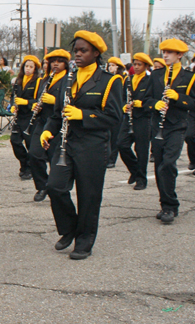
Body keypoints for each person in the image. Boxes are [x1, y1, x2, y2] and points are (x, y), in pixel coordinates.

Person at [40, 31, 123, 259]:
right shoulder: (68, 78)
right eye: (75, 50)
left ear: (96, 53)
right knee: (55, 187)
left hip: (93, 146)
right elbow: (58, 114)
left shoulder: (109, 81)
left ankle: (84, 240)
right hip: (66, 143)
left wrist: (83, 115)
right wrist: (48, 129)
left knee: (88, 195)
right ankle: (69, 229)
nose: (77, 54)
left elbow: (115, 118)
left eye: (83, 50)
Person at [149, 39, 195, 224]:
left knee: (168, 164)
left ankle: (171, 206)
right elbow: (146, 98)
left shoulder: (189, 77)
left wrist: (178, 97)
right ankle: (165, 205)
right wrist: (155, 103)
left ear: (179, 55)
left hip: (177, 126)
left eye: (170, 52)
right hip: (158, 125)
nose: (165, 55)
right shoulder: (156, 75)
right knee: (159, 166)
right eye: (164, 52)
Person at [27, 49, 70, 202]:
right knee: (34, 154)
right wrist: (36, 107)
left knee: (54, 157)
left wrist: (54, 100)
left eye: (59, 61)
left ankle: (55, 187)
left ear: (65, 63)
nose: (55, 64)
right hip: (42, 121)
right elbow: (39, 98)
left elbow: (69, 100)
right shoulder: (45, 80)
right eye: (52, 61)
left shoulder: (69, 79)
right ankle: (42, 185)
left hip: (58, 123)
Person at [118, 53, 154, 190]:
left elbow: (152, 98)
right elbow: (121, 97)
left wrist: (143, 104)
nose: (136, 67)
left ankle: (141, 179)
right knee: (121, 144)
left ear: (146, 66)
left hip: (143, 118)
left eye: (140, 65)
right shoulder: (128, 79)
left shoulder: (150, 80)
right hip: (129, 118)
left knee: (141, 150)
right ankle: (134, 170)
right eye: (135, 64)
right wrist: (123, 106)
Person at [10, 55, 41, 180]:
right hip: (19, 116)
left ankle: (29, 168)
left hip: (30, 116)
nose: (28, 69)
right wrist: (13, 106)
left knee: (29, 143)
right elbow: (13, 96)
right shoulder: (18, 80)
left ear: (35, 68)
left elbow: (38, 100)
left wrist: (26, 103)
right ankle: (24, 163)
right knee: (15, 141)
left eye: (31, 67)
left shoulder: (38, 81)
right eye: (26, 66)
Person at [105, 56, 127, 168]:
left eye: (113, 65)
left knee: (115, 136)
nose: (110, 67)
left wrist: (123, 106)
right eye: (109, 65)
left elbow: (123, 96)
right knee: (108, 135)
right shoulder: (107, 78)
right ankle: (107, 156)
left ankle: (112, 159)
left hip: (119, 110)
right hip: (108, 109)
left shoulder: (122, 78)